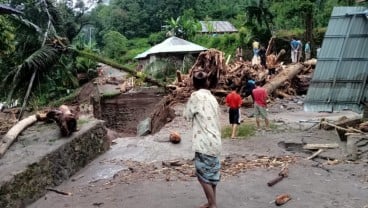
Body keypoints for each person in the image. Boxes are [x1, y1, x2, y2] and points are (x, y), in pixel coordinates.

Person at [183, 71, 222, 208]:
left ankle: (212, 204)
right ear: (207, 82)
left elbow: (186, 115)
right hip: (216, 141)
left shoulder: (195, 96)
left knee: (202, 176)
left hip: (203, 143)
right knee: (212, 175)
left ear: (194, 84)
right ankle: (212, 202)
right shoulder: (212, 98)